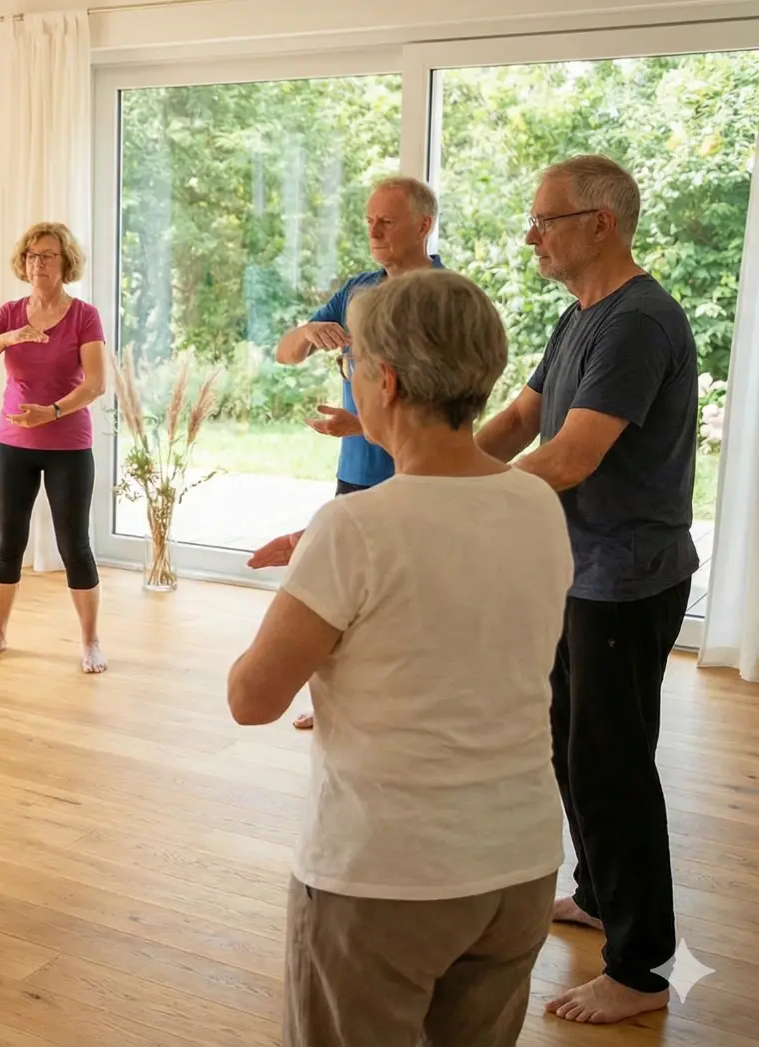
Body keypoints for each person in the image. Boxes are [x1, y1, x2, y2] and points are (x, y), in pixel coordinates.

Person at [227, 269, 570, 1047]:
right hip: (518, 866)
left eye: (352, 367)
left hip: (385, 876)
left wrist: (307, 582)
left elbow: (251, 696)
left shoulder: (354, 528)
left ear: (383, 379)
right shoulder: (539, 505)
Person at [477, 154, 698, 1026]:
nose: (532, 235)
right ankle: (601, 894)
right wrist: (434, 469)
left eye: (545, 219)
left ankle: (642, 969)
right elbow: (524, 419)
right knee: (574, 746)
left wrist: (467, 506)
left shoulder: (639, 321)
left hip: (626, 580)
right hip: (585, 572)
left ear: (599, 223)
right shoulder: (580, 317)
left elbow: (571, 457)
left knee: (613, 767)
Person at [249, 176, 442, 729]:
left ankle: (403, 703)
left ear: (423, 226)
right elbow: (285, 353)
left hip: (416, 472)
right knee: (344, 595)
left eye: (388, 221)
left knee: (406, 596)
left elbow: (445, 396)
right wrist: (310, 331)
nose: (374, 231)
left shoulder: (444, 296)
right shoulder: (358, 289)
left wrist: (363, 423)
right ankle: (337, 697)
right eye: (368, 221)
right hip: (356, 470)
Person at [0, 222, 110, 674]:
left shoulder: (84, 315)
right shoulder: (8, 313)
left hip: (67, 444)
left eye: (47, 255)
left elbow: (97, 384)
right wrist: (6, 338)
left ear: (65, 263)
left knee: (74, 546)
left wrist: (54, 411)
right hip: (13, 445)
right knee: (7, 543)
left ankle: (91, 642)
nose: (37, 263)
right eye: (31, 255)